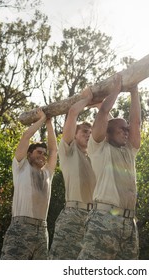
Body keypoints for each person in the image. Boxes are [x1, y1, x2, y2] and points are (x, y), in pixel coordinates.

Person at [77, 75, 141, 260]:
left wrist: (134, 91)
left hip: (129, 223)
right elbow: (103, 113)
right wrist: (117, 89)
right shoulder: (98, 148)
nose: (126, 132)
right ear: (108, 132)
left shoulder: (129, 151)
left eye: (126, 129)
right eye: (121, 129)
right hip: (104, 219)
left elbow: (136, 122)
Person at [0, 108, 57, 260]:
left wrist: (49, 123)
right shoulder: (20, 166)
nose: (42, 156)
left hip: (42, 231)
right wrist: (41, 119)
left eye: (44, 154)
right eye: (39, 152)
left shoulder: (47, 173)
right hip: (21, 228)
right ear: (29, 154)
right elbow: (26, 137)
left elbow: (54, 151)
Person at [49, 88, 96, 259]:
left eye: (91, 133)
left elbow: (111, 130)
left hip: (95, 219)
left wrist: (101, 106)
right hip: (73, 216)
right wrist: (87, 99)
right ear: (74, 135)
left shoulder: (95, 157)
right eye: (84, 131)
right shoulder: (69, 150)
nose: (88, 135)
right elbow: (72, 114)